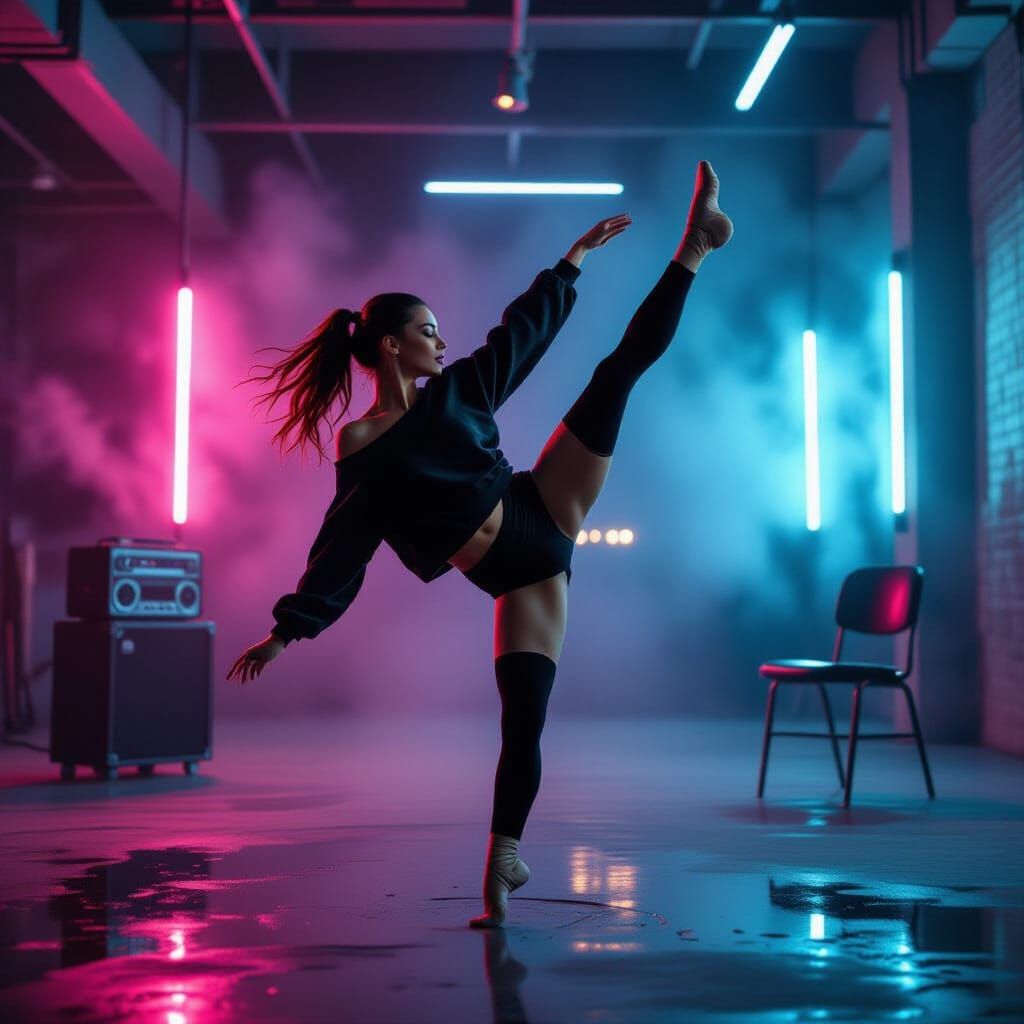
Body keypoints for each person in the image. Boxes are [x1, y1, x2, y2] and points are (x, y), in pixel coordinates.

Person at [227, 160, 733, 927]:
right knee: (521, 721)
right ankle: (502, 870)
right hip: (517, 578)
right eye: (425, 330)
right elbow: (346, 542)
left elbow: (518, 337)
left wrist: (571, 264)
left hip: (542, 505)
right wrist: (286, 631)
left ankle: (694, 247)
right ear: (391, 346)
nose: (440, 338)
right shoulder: (360, 443)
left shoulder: (459, 390)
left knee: (614, 375)